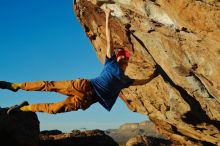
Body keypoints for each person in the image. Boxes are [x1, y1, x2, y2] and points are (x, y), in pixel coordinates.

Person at [0, 8, 157, 115]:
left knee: (55, 109)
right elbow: (109, 40)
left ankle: (24, 108)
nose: (123, 58)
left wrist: (155, 75)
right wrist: (108, 16)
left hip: (86, 99)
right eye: (121, 56)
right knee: (49, 86)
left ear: (127, 62)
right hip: (83, 85)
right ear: (118, 57)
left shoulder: (125, 81)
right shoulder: (111, 62)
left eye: (125, 58)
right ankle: (16, 86)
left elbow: (142, 82)